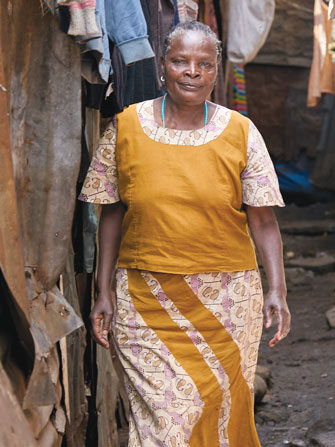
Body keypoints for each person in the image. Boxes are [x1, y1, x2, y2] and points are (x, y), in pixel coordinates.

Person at [79, 20, 290, 446]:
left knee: (216, 410)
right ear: (163, 66)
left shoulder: (241, 133)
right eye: (180, 61)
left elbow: (263, 220)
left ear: (216, 71)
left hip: (228, 299)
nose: (191, 72)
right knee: (166, 424)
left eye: (203, 64)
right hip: (143, 298)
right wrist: (103, 291)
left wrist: (277, 290)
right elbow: (111, 213)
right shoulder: (124, 128)